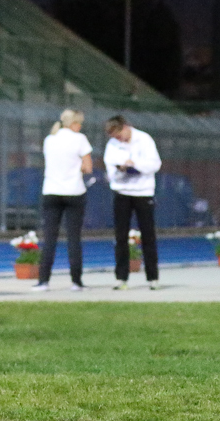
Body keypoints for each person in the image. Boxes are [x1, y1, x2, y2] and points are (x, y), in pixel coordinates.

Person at [37, 109, 93, 291]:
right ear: (74, 124)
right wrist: (77, 168)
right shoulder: (80, 139)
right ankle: (76, 281)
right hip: (74, 191)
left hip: (51, 191)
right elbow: (88, 167)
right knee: (74, 238)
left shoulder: (49, 139)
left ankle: (43, 280)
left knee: (49, 238)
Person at [104, 115, 162, 290]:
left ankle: (153, 278)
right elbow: (110, 172)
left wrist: (135, 164)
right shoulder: (112, 145)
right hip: (122, 192)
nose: (118, 139)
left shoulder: (144, 139)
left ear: (126, 127)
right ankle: (121, 278)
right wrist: (121, 169)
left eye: (119, 135)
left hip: (143, 192)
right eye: (114, 137)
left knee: (148, 235)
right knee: (120, 236)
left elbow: (155, 164)